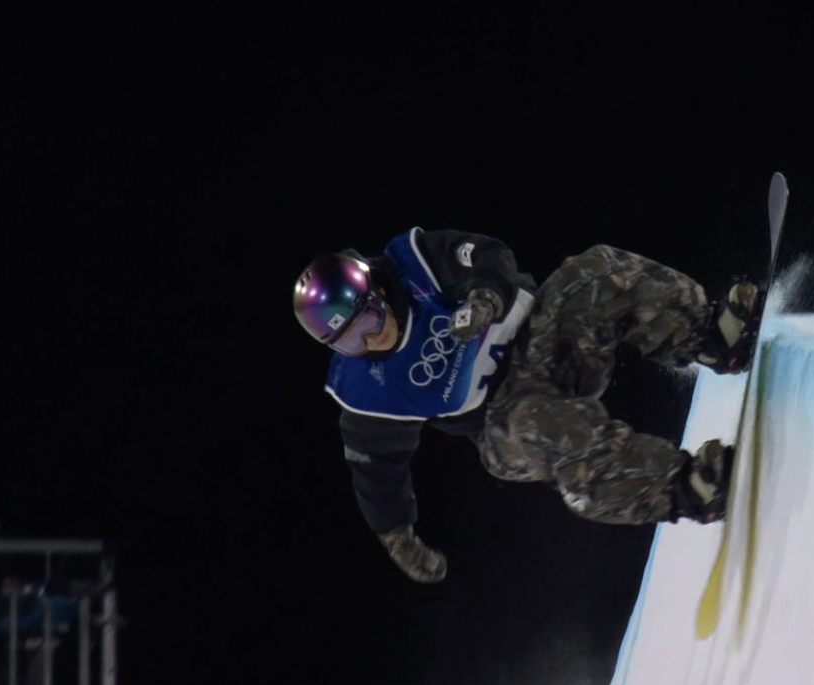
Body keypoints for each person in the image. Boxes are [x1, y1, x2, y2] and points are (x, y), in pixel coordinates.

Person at [294, 227, 763, 583]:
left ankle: (712, 337)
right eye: (351, 341)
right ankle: (686, 487)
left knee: (592, 271)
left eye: (370, 319)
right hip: (503, 418)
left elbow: (487, 254)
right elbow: (375, 469)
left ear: (376, 289)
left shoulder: (414, 263)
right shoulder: (366, 391)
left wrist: (484, 297)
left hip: (548, 344)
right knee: (538, 427)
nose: (372, 340)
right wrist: (398, 535)